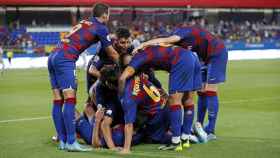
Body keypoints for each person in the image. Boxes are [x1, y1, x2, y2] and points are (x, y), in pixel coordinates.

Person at [133, 26, 228, 142]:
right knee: (201, 92)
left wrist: (145, 44)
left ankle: (211, 130)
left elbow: (167, 40)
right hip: (204, 57)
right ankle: (200, 125)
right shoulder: (179, 46)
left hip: (217, 53)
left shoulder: (182, 33)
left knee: (210, 90)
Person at [47, 2, 119, 152]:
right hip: (66, 58)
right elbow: (112, 53)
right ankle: (71, 142)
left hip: (54, 55)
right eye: (108, 14)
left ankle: (63, 140)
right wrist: (128, 67)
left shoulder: (84, 22)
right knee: (70, 99)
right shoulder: (101, 27)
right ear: (105, 15)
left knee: (58, 100)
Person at [119, 45, 201, 152]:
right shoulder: (148, 54)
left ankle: (176, 141)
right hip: (192, 57)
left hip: (181, 60)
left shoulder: (137, 59)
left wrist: (121, 95)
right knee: (188, 100)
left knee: (174, 100)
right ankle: (186, 137)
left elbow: (123, 77)